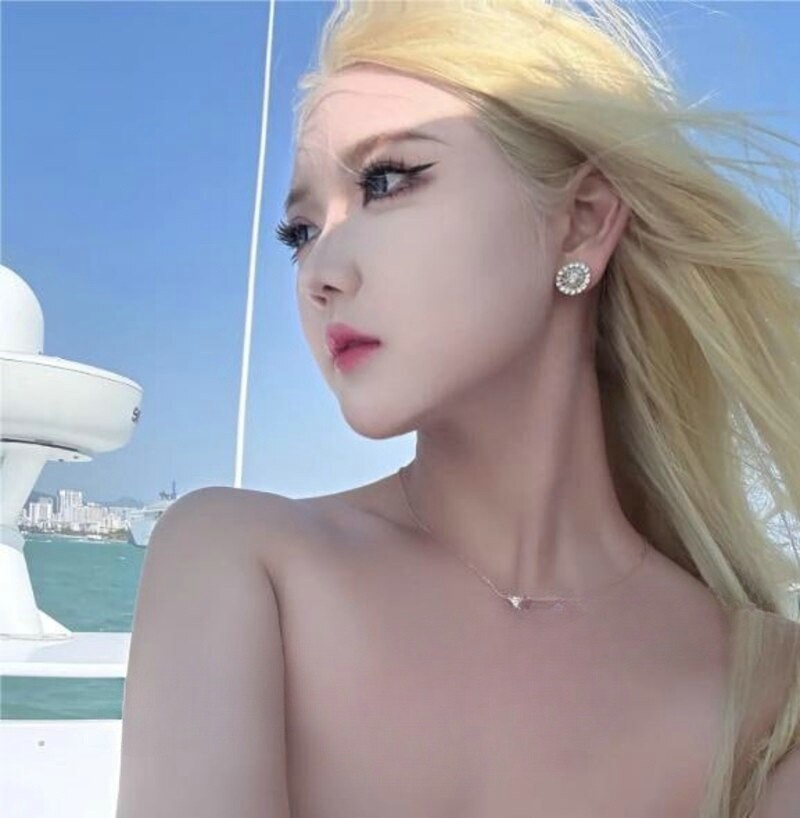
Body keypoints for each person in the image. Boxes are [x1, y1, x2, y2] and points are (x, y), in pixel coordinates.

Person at [116, 2, 800, 817]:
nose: (319, 272)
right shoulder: (243, 564)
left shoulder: (769, 691)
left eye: (387, 181)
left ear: (581, 223)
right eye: (299, 232)